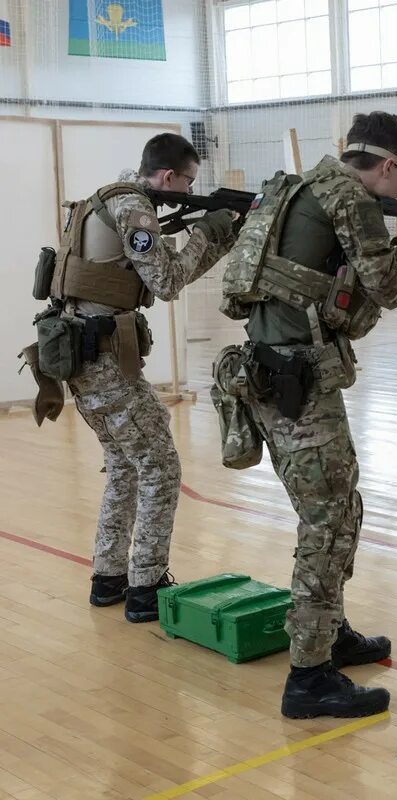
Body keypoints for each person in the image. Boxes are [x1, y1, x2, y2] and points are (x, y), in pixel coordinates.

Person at [217, 111, 397, 719]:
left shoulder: (299, 186)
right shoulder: (352, 200)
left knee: (336, 510)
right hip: (299, 383)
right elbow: (387, 286)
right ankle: (309, 678)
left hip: (268, 371)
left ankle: (329, 632)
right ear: (389, 165)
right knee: (327, 523)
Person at [38, 133, 237, 621]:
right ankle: (146, 586)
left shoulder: (99, 200)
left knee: (126, 466)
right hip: (104, 360)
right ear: (168, 176)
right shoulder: (133, 208)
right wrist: (211, 235)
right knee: (160, 467)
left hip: (79, 357)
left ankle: (109, 579)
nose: (189, 190)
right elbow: (166, 281)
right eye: (188, 181)